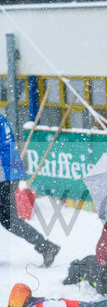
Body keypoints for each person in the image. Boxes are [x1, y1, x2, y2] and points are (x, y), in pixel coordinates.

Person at [1, 112, 61, 267]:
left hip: (4, 175)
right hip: (8, 172)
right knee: (10, 221)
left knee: (10, 221)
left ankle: (46, 247)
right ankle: (46, 247)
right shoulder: (1, 120)